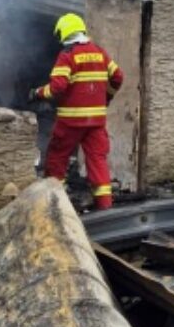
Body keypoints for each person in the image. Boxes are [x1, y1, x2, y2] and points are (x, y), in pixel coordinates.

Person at [29, 13, 123, 210]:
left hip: (71, 121)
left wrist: (38, 93)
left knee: (57, 157)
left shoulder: (67, 55)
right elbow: (118, 77)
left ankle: (55, 206)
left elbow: (57, 87)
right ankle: (105, 207)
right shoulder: (99, 52)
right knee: (97, 161)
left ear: (64, 33)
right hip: (96, 121)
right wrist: (106, 97)